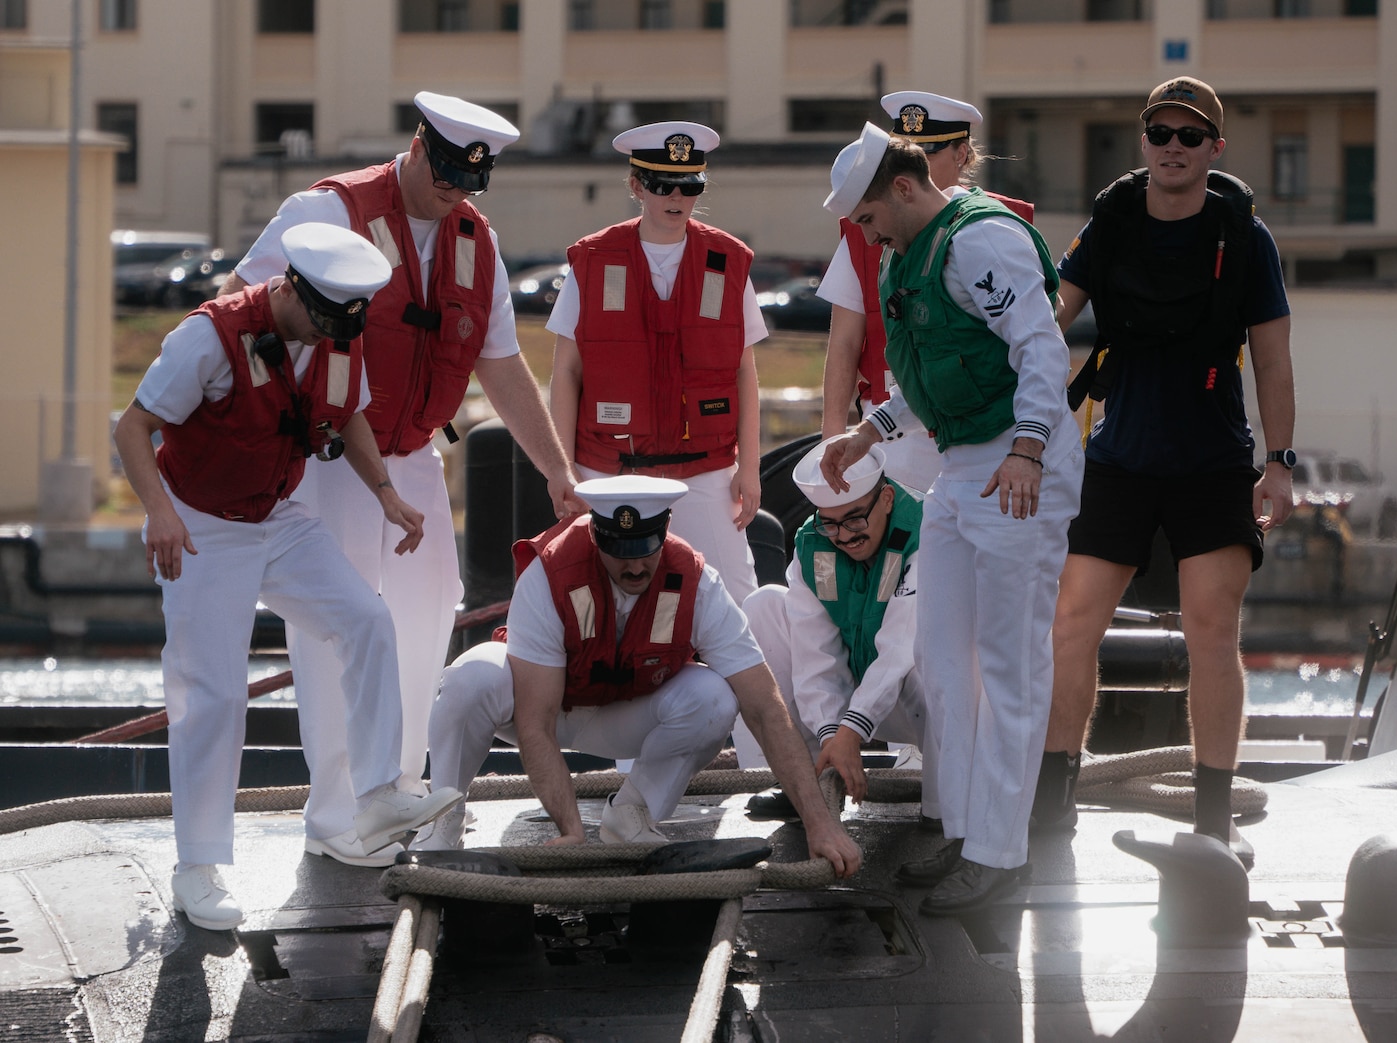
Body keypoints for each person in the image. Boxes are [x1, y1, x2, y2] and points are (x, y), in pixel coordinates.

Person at [221, 92, 581, 867]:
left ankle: (398, 791)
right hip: (328, 459)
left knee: (427, 613)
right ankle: (337, 813)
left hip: (412, 458)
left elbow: (501, 365)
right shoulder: (328, 210)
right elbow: (236, 310)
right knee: (338, 630)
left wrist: (557, 468)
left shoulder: (476, 243)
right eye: (444, 172)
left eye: (469, 181)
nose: (453, 192)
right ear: (417, 147)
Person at [113, 223, 462, 930]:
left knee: (366, 620)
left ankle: (377, 797)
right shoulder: (209, 337)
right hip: (203, 524)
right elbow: (132, 427)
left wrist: (386, 493)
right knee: (213, 692)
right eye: (325, 320)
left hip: (276, 514)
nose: (333, 336)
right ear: (291, 290)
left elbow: (350, 415)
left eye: (345, 324)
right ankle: (197, 867)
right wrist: (161, 515)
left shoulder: (338, 333)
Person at [818, 122, 1083, 916]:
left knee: (1009, 663)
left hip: (1016, 461)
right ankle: (967, 830)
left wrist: (1029, 449)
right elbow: (938, 367)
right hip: (964, 460)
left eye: (870, 217)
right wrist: (871, 430)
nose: (868, 235)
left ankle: (1001, 853)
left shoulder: (982, 241)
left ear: (903, 188)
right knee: (941, 657)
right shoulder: (909, 252)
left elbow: (1040, 349)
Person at [1033, 78, 1295, 867]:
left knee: (1212, 629)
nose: (1173, 147)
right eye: (1160, 133)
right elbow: (1044, 326)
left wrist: (1279, 463)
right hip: (1119, 456)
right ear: (1143, 141)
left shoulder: (1245, 236)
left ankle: (1213, 818)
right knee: (1072, 623)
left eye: (1190, 135)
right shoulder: (1111, 223)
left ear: (1215, 147)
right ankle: (1051, 803)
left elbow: (1274, 360)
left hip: (1212, 461)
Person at [419, 476, 862, 879]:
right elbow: (535, 722)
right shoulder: (551, 573)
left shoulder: (696, 582)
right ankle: (445, 813)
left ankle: (632, 812)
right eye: (619, 551)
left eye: (646, 548)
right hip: (539, 710)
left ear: (665, 529)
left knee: (714, 697)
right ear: (595, 536)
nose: (634, 567)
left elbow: (765, 706)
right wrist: (571, 832)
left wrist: (820, 823)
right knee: (470, 678)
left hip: (625, 715)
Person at [546, 121, 767, 607]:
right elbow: (566, 373)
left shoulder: (728, 261)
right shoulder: (592, 260)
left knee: (736, 599)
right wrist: (560, 470)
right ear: (636, 186)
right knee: (601, 601)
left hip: (705, 472)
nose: (676, 197)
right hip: (608, 471)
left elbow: (744, 372)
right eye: (662, 185)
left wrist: (749, 467)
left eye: (689, 186)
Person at [816, 91, 1036, 494]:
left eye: (926, 153)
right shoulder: (866, 229)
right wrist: (833, 437)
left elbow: (1038, 342)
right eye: (905, 152)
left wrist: (1029, 444)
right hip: (893, 421)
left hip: (987, 422)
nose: (914, 163)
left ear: (962, 154)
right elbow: (844, 341)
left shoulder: (996, 226)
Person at [737, 440, 939, 826]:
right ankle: (810, 778)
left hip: (924, 701)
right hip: (861, 693)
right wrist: (834, 737)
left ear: (886, 499)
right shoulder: (815, 546)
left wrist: (852, 730)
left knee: (923, 656)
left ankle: (948, 791)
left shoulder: (927, 530)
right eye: (829, 523)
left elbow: (899, 648)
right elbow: (815, 656)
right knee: (763, 606)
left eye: (854, 520)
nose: (844, 537)